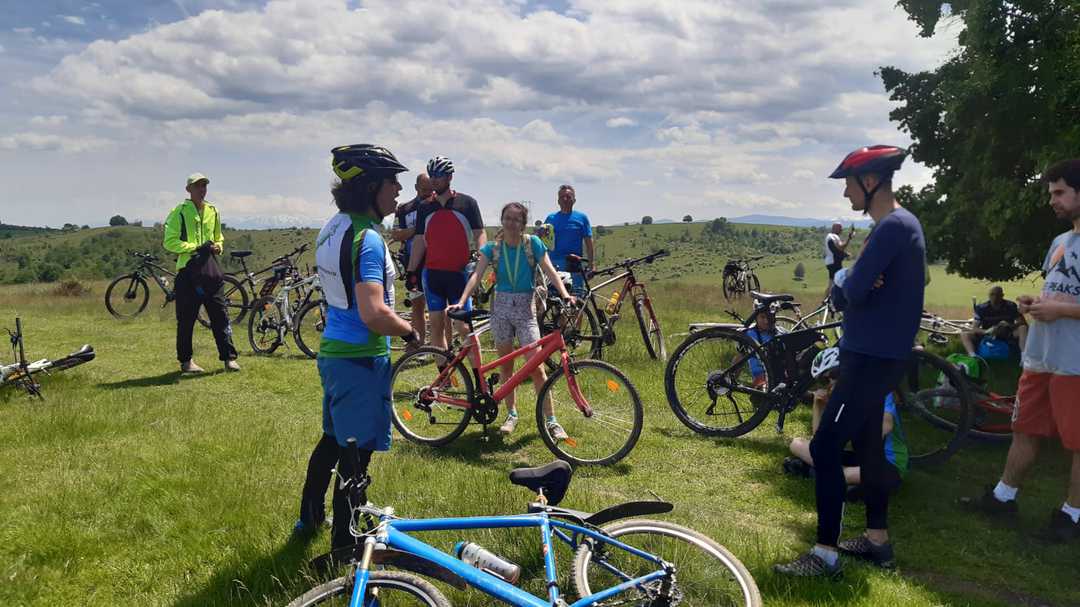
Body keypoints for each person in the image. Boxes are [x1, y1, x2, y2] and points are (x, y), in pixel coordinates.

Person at [775, 145, 926, 578]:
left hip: (870, 357)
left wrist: (844, 277)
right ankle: (877, 540)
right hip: (881, 354)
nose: (845, 193)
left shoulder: (892, 227)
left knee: (824, 446)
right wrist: (852, 278)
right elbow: (858, 288)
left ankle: (825, 555)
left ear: (870, 181)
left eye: (847, 182)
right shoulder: (900, 224)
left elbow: (849, 294)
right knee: (868, 446)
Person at [294, 145, 418, 552]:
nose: (398, 189)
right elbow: (373, 312)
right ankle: (345, 549)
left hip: (333, 354)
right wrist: (410, 332)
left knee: (332, 441)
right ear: (370, 187)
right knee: (356, 459)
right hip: (359, 359)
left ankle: (308, 519)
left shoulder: (333, 226)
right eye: (391, 182)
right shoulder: (367, 239)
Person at [965, 158, 1080, 543]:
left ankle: (1072, 517)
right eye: (1051, 193)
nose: (1052, 201)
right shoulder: (1059, 243)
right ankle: (1003, 498)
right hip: (1041, 358)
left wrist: (1060, 309)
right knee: (1024, 428)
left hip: (1075, 364)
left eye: (1060, 192)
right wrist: (1035, 302)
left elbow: (1066, 305)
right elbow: (1059, 293)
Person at [448, 202, 576, 439]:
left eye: (516, 220)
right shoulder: (492, 249)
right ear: (502, 220)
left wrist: (565, 294)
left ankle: (551, 420)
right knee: (506, 365)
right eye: (507, 218)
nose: (511, 223)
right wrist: (462, 299)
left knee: (536, 367)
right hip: (501, 308)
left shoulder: (533, 244)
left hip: (525, 309)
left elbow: (549, 269)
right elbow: (477, 275)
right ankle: (511, 415)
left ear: (523, 224)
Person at [785, 349, 909, 536]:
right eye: (824, 380)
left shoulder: (877, 390)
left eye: (834, 376)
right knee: (796, 443)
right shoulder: (840, 399)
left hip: (889, 464)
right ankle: (831, 477)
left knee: (838, 476)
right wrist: (818, 406)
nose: (831, 383)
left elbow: (886, 425)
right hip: (861, 458)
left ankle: (815, 472)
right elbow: (821, 445)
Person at [405, 156, 487, 352]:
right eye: (432, 175)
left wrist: (483, 257)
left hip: (459, 275)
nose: (434, 179)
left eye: (439, 175)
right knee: (436, 327)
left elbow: (480, 233)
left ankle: (478, 379)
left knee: (464, 328)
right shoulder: (425, 206)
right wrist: (411, 270)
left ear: (449, 177)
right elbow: (418, 240)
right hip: (432, 274)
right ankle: (444, 378)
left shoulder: (467, 203)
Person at [162, 172, 240, 373]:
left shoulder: (213, 210)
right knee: (186, 320)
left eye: (204, 185)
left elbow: (218, 236)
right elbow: (169, 242)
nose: (202, 189)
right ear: (188, 189)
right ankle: (186, 362)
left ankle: (229, 358)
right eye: (197, 186)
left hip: (211, 270)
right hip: (188, 272)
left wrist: (218, 246)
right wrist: (196, 247)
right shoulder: (179, 211)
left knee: (220, 315)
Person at [392, 173, 440, 352]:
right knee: (417, 305)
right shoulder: (404, 209)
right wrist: (418, 230)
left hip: (437, 263)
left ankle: (442, 347)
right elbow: (396, 234)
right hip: (414, 265)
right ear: (416, 187)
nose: (428, 193)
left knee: (440, 308)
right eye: (424, 189)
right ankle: (419, 347)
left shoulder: (438, 205)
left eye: (431, 190)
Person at [545, 184, 594, 295]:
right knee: (555, 301)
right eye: (562, 197)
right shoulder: (550, 218)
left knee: (576, 300)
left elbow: (589, 242)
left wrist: (591, 265)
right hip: (554, 266)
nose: (565, 199)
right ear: (558, 200)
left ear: (574, 200)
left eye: (568, 196)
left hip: (574, 265)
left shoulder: (582, 218)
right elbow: (543, 243)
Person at [961, 286, 1028, 356]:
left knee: (1023, 328)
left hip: (1008, 333)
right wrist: (986, 331)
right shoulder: (981, 308)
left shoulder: (1011, 306)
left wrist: (1010, 325)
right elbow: (974, 328)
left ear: (1002, 296)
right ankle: (973, 355)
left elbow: (1023, 322)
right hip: (988, 333)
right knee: (964, 334)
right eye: (992, 294)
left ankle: (1024, 355)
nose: (994, 297)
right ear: (989, 296)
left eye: (997, 295)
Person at [824, 222, 855, 295]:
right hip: (834, 262)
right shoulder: (833, 236)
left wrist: (844, 254)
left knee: (832, 282)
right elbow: (839, 248)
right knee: (836, 283)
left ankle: (826, 301)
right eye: (840, 228)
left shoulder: (830, 236)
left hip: (832, 262)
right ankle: (828, 301)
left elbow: (837, 249)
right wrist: (849, 238)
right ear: (835, 228)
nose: (841, 230)